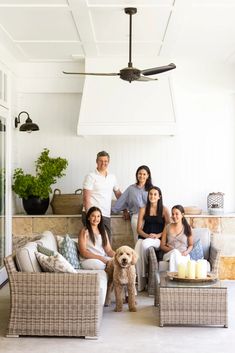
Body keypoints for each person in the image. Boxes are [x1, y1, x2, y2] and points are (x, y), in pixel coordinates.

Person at [135, 186, 170, 291]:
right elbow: (139, 229)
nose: (152, 196)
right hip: (145, 237)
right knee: (137, 250)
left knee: (144, 244)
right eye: (151, 194)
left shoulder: (164, 210)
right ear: (148, 195)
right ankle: (140, 284)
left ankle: (144, 273)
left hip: (158, 239)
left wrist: (158, 235)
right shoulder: (143, 209)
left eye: (155, 194)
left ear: (159, 196)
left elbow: (168, 227)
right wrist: (147, 236)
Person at [83, 151, 121, 241]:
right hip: (92, 215)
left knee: (107, 241)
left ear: (108, 162)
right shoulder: (90, 176)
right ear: (97, 161)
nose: (103, 163)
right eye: (101, 161)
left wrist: (125, 209)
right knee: (93, 242)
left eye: (105, 161)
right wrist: (89, 216)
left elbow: (118, 194)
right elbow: (86, 198)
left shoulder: (112, 177)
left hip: (105, 214)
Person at [112, 165, 153, 244]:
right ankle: (138, 256)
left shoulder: (152, 189)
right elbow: (122, 200)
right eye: (140, 174)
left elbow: (157, 203)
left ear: (148, 175)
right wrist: (125, 211)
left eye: (144, 174)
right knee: (138, 240)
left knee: (149, 241)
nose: (142, 176)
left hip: (150, 218)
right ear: (137, 175)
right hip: (136, 217)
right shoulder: (131, 189)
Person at [160, 205, 193, 272]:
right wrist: (173, 250)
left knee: (179, 256)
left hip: (183, 255)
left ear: (182, 215)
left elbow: (191, 245)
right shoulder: (167, 227)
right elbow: (162, 246)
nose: (174, 216)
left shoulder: (187, 228)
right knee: (175, 253)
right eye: (173, 214)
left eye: (177, 214)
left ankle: (177, 277)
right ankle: (175, 276)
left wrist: (186, 252)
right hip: (170, 254)